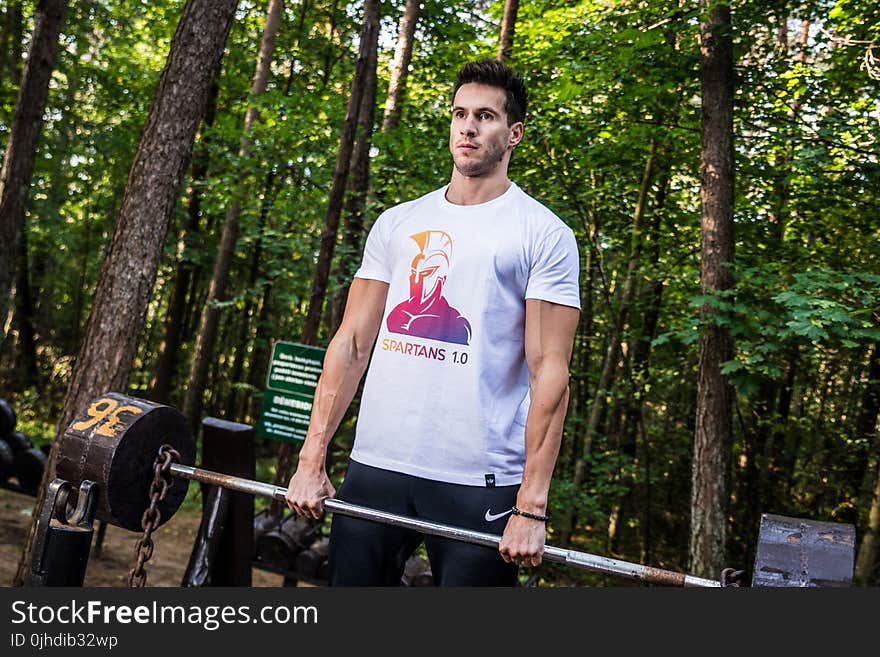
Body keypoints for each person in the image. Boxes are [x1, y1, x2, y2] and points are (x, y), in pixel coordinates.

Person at [285, 58, 581, 586]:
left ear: (513, 133)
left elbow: (550, 373)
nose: (468, 126)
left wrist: (532, 504)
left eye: (486, 116)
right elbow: (351, 344)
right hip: (377, 465)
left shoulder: (542, 233)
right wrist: (313, 455)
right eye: (460, 113)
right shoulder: (399, 223)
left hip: (481, 480)